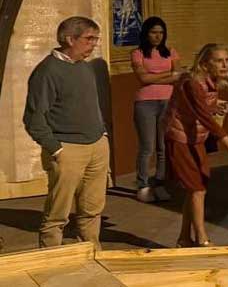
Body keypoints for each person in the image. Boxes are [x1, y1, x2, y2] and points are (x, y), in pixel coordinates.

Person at [23, 17, 110, 247]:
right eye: (89, 39)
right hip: (67, 148)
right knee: (57, 215)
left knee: (92, 210)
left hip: (96, 145)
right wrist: (56, 149)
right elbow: (33, 118)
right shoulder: (47, 71)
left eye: (95, 39)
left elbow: (91, 105)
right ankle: (51, 261)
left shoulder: (85, 67)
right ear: (70, 39)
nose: (93, 44)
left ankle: (91, 255)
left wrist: (102, 134)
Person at [164, 43, 228, 247]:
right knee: (197, 189)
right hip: (181, 138)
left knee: (197, 186)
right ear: (204, 64)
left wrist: (214, 105)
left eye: (226, 60)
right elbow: (202, 115)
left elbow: (200, 106)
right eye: (218, 61)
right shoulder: (192, 82)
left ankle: (184, 237)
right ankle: (202, 238)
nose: (224, 65)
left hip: (196, 138)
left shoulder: (211, 81)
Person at [131, 16, 182, 203]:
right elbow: (143, 79)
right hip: (145, 103)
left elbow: (179, 75)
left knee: (163, 146)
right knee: (147, 147)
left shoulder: (171, 52)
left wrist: (154, 76)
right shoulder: (137, 53)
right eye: (153, 32)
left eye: (161, 32)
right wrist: (169, 75)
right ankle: (143, 186)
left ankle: (160, 184)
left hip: (167, 101)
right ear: (146, 33)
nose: (157, 36)